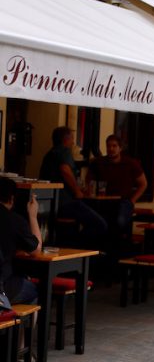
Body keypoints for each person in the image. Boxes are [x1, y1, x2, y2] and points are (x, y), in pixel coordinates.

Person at [38, 126, 107, 245]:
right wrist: (77, 191)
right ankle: (77, 247)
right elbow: (65, 170)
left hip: (49, 204)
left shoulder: (49, 154)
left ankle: (73, 245)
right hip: (65, 202)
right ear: (66, 139)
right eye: (72, 139)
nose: (73, 142)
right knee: (100, 224)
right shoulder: (64, 151)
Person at [86, 134, 147, 236]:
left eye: (114, 146)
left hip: (123, 200)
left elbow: (143, 184)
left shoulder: (130, 163)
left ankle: (118, 248)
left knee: (120, 221)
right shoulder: (99, 162)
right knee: (95, 221)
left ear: (120, 148)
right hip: (103, 201)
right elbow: (88, 179)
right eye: (109, 146)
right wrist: (90, 190)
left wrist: (132, 200)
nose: (111, 149)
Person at [0, 177, 41, 306]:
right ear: (12, 198)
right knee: (36, 290)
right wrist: (33, 216)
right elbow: (36, 250)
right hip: (3, 288)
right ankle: (21, 325)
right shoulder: (14, 220)